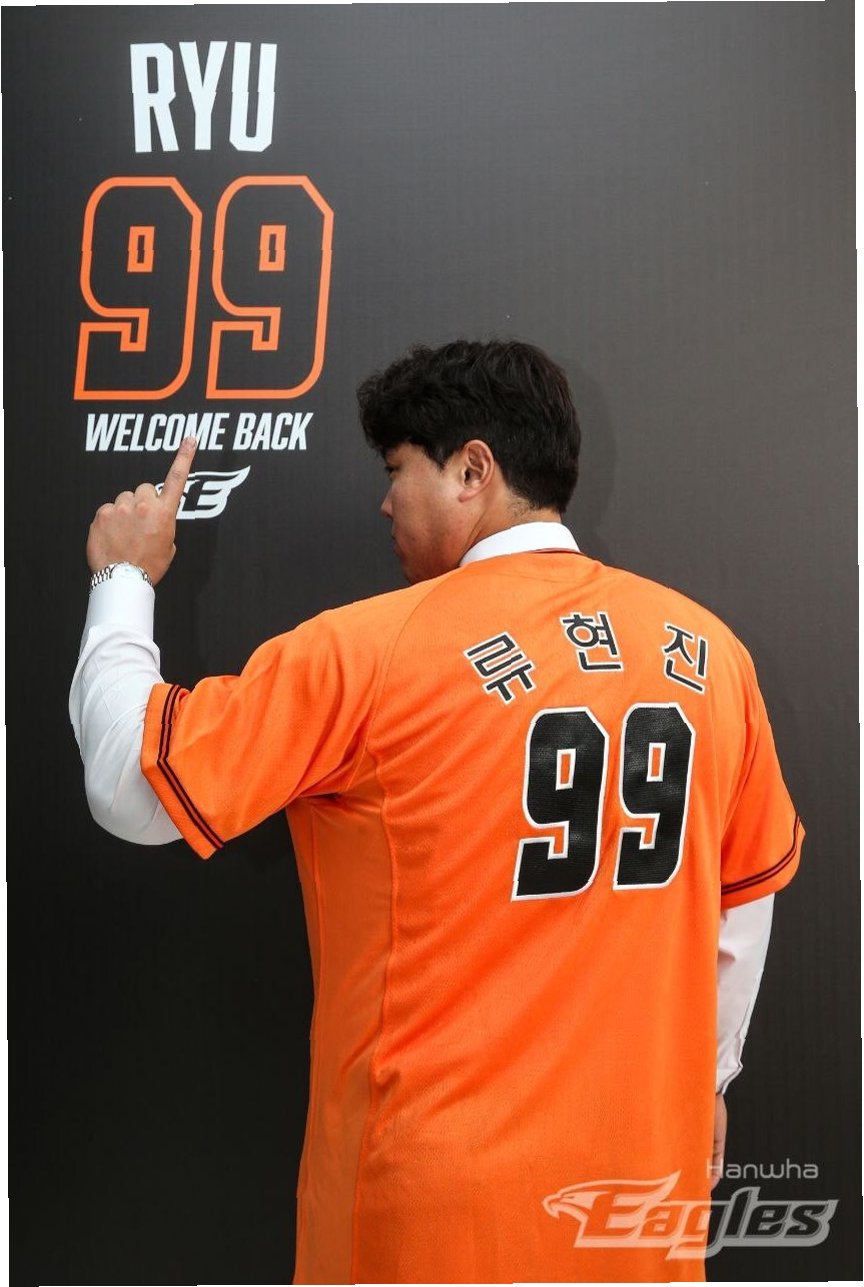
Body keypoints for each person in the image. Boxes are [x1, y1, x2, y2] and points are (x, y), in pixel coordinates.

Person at [70, 339, 802, 1284]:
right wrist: (709, 1079)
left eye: (397, 469)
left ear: (472, 469)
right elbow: (744, 899)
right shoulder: (711, 652)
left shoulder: (371, 651)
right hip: (634, 1201)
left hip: (431, 1214)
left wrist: (122, 580)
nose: (385, 503)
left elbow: (129, 787)